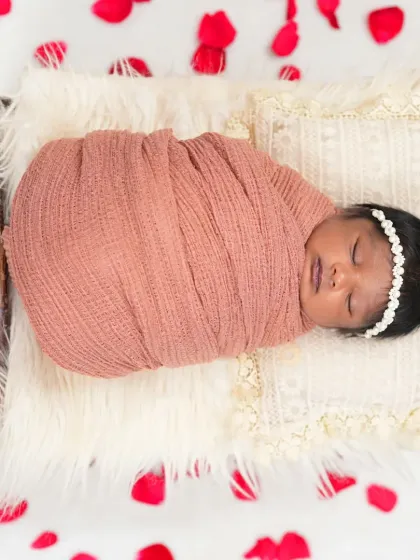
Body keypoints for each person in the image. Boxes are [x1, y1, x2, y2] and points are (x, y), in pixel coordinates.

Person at [3, 129, 420, 378]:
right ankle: (52, 238)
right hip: (124, 202)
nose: (337, 276)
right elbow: (214, 157)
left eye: (348, 301)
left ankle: (59, 275)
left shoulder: (273, 322)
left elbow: (201, 334)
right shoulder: (274, 192)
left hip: (120, 309)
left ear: (337, 329)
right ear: (346, 213)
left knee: (101, 304)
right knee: (110, 215)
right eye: (354, 253)